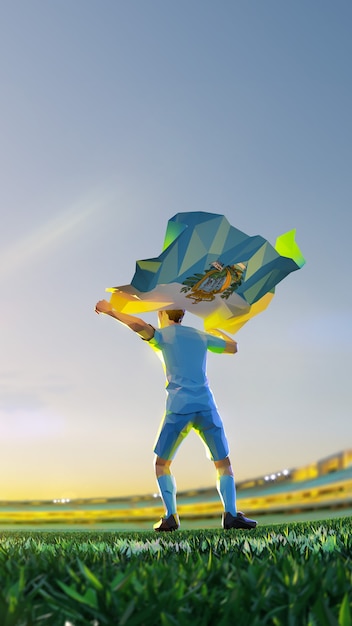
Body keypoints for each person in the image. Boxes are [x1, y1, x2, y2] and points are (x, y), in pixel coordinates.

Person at [95, 299, 257, 532]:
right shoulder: (200, 336)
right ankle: (231, 515)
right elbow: (233, 347)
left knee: (162, 464)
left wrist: (111, 310)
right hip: (206, 407)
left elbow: (138, 325)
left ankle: (171, 517)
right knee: (223, 463)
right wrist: (214, 329)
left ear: (162, 313)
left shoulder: (162, 336)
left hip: (178, 408)